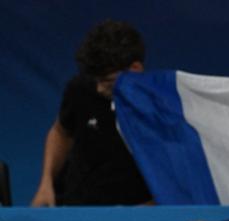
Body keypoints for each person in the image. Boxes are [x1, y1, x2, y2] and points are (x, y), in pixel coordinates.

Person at [30, 20, 152, 207]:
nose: (100, 88)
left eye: (108, 81)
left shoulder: (158, 107)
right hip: (77, 208)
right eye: (96, 79)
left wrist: (146, 210)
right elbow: (61, 132)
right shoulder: (79, 90)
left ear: (135, 69)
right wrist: (46, 183)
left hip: (135, 215)